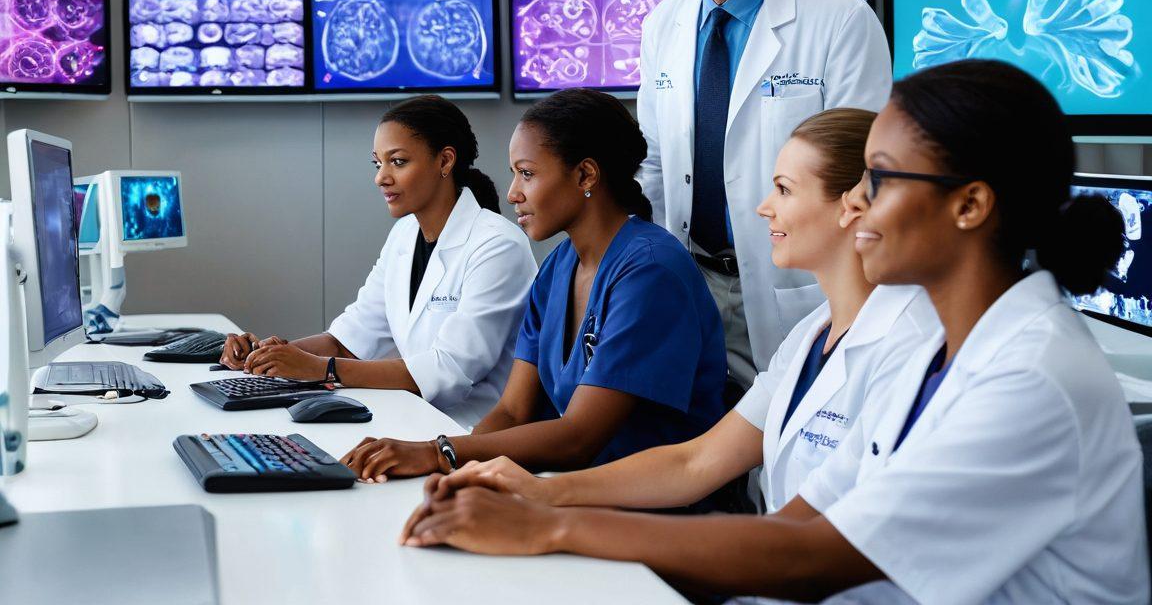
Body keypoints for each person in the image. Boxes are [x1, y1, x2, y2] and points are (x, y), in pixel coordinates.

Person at [398, 60, 1149, 605]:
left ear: (970, 205)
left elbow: (811, 555)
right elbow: (792, 513)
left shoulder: (1029, 378)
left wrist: (547, 527)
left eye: (878, 182)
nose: (859, 208)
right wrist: (544, 504)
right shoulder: (932, 348)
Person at [405, 107, 938, 518]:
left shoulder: (912, 345)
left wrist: (465, 465)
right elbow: (696, 462)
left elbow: (807, 535)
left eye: (783, 189)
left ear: (852, 205)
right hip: (672, 527)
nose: (762, 207)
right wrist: (534, 492)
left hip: (694, 536)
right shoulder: (809, 337)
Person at [338, 89, 728, 483]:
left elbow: (579, 437)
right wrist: (454, 474)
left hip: (649, 504)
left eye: (527, 173)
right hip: (570, 486)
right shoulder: (558, 267)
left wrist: (439, 453)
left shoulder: (650, 271)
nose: (512, 194)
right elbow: (512, 412)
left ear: (585, 175)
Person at [638, 0, 893, 393]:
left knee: (788, 453)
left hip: (798, 286)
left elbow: (864, 172)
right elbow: (653, 164)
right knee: (699, 446)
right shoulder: (663, 24)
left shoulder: (840, 21)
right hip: (690, 280)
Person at [218, 95, 537, 430]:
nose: (381, 177)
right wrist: (266, 357)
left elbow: (448, 371)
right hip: (412, 420)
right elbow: (348, 341)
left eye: (397, 162)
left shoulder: (498, 245)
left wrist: (320, 368)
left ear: (444, 161)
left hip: (471, 433)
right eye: (378, 164)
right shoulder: (404, 235)